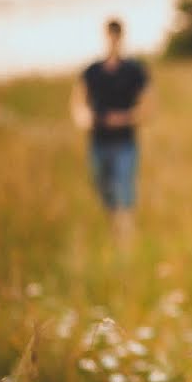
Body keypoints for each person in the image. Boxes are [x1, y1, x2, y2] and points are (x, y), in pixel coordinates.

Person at [70, 18, 154, 248]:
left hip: (125, 142)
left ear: (121, 37)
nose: (113, 40)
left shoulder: (134, 70)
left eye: (116, 36)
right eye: (110, 36)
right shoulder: (92, 71)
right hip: (98, 142)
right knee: (102, 187)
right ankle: (113, 230)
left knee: (124, 187)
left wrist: (124, 118)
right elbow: (78, 104)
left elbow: (148, 107)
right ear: (105, 37)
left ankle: (126, 238)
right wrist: (87, 119)